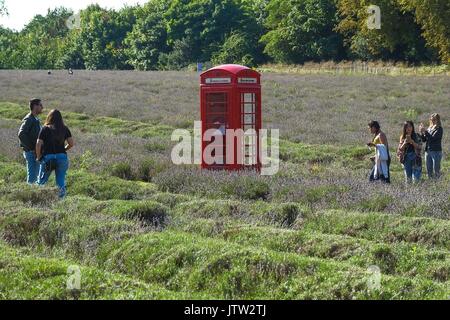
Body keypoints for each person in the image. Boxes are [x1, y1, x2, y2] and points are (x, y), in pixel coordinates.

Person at [36, 109, 74, 198]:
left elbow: (38, 144)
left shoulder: (45, 128)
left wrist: (39, 157)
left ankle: (38, 198)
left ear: (49, 117)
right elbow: (71, 143)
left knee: (42, 181)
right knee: (60, 181)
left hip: (48, 157)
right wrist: (63, 149)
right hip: (62, 157)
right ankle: (61, 200)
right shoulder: (64, 128)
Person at [18, 98, 44, 184]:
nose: (42, 107)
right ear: (35, 106)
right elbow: (21, 134)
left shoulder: (35, 119)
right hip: (31, 153)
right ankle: (29, 195)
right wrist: (31, 148)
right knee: (32, 178)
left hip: (35, 152)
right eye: (40, 105)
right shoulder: (29, 119)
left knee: (36, 177)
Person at [419, 113, 443, 179]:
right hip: (428, 151)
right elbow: (424, 140)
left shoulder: (439, 129)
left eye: (434, 120)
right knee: (429, 170)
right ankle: (431, 183)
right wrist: (421, 132)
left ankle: (438, 184)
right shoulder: (429, 128)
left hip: (436, 152)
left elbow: (433, 138)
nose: (432, 121)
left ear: (438, 120)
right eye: (431, 119)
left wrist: (425, 131)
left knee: (436, 171)